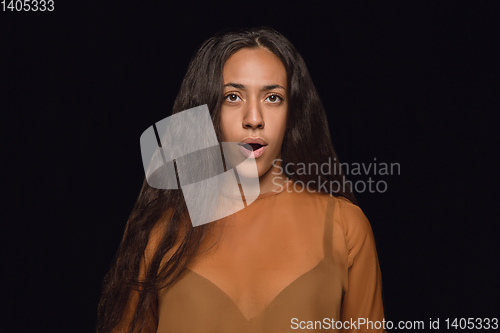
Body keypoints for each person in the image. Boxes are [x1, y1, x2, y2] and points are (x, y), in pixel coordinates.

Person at [97, 27, 386, 333]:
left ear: (293, 112)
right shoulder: (161, 230)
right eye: (233, 97)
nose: (254, 118)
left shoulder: (345, 227)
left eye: (273, 97)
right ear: (208, 111)